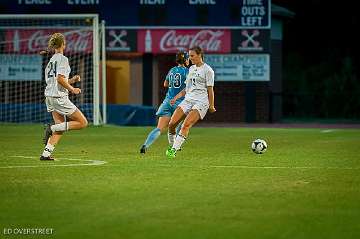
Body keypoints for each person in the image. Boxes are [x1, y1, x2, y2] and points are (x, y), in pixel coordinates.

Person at [40, 32, 88, 161]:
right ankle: (51, 128)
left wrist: (71, 80)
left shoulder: (51, 62)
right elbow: (60, 79)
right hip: (59, 97)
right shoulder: (63, 59)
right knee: (82, 123)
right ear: (63, 44)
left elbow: (57, 80)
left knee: (61, 125)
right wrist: (73, 89)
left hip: (49, 96)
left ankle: (46, 154)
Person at [166, 46, 216, 159]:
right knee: (171, 124)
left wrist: (211, 105)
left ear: (199, 55)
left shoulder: (208, 70)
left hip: (201, 101)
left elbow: (210, 89)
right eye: (189, 56)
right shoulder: (191, 69)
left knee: (186, 125)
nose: (190, 58)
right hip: (188, 100)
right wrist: (176, 97)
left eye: (192, 55)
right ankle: (173, 145)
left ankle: (173, 151)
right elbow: (187, 89)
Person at [140, 51, 189, 154]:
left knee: (159, 128)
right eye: (188, 58)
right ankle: (175, 146)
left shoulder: (172, 70)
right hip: (179, 103)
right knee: (180, 124)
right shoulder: (187, 71)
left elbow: (165, 84)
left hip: (167, 103)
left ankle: (145, 145)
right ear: (185, 60)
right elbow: (189, 87)